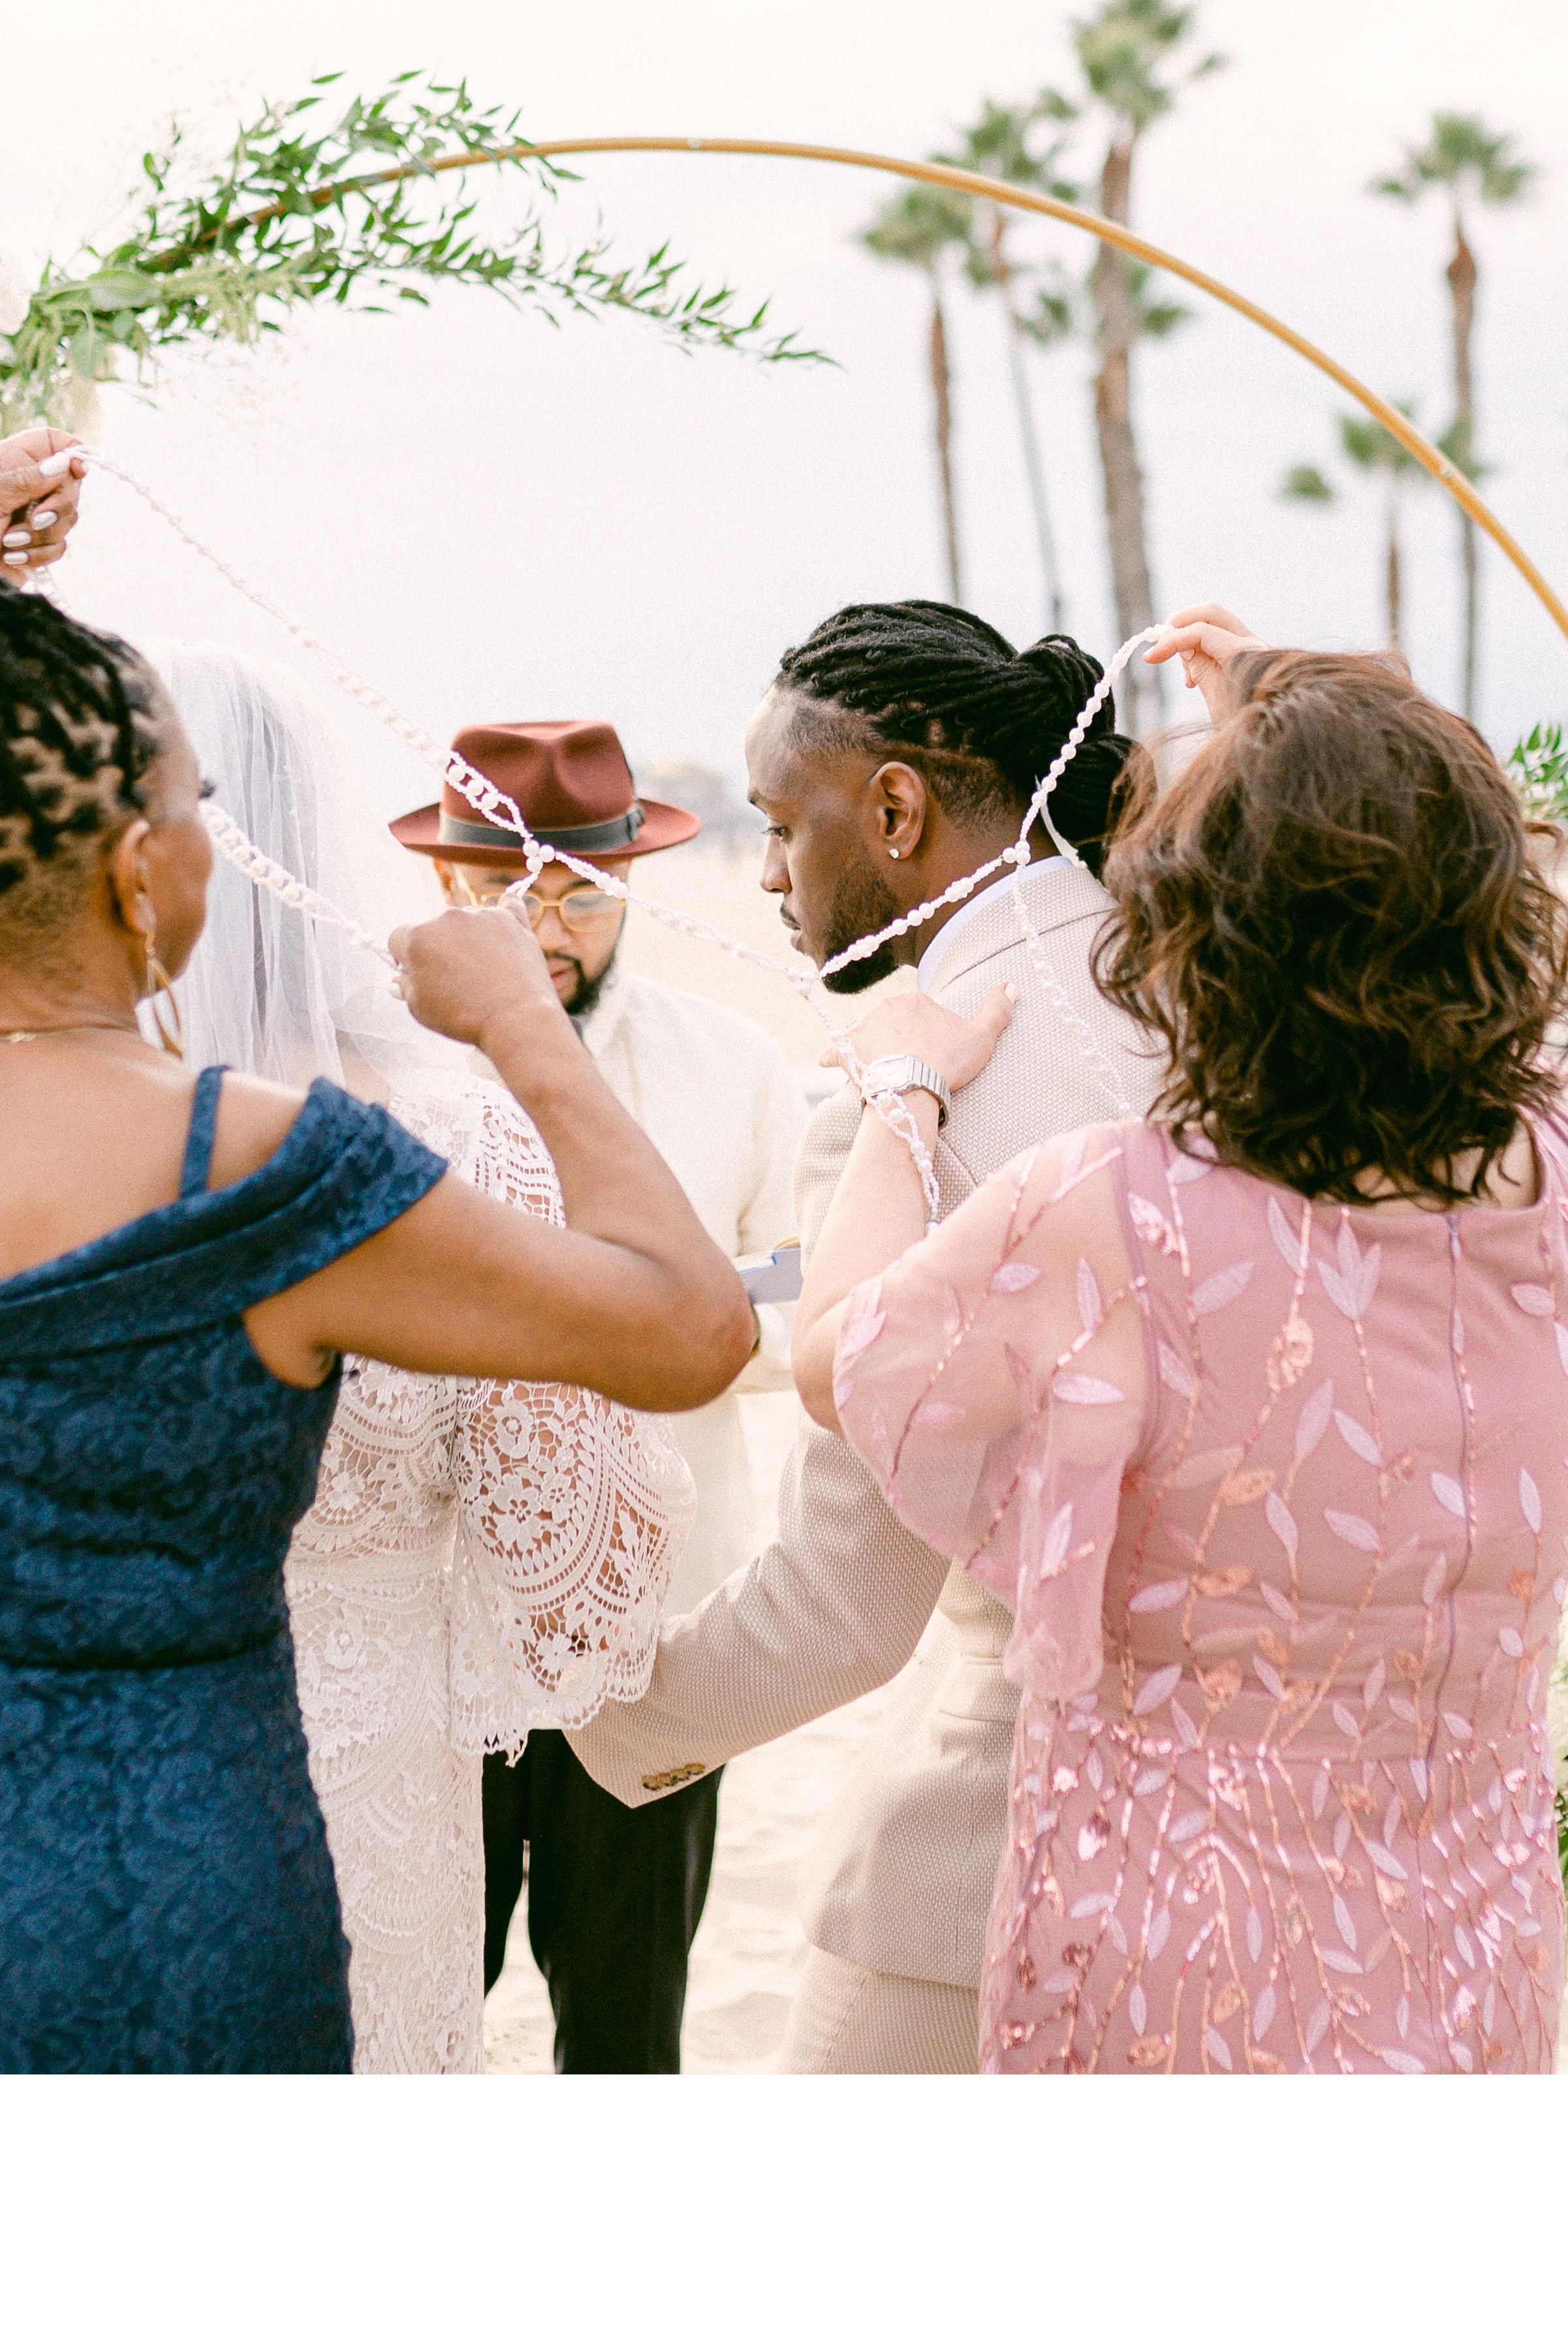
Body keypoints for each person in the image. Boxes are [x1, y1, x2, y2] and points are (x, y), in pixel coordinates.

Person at [0, 431, 752, 2074]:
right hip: (138, 1908)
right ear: (145, 871)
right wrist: (522, 1031)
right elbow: (689, 1329)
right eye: (193, 808)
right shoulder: (271, 1173)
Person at [796, 615, 1568, 2072]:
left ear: (1193, 934)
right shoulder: (1563, 1168)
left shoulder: (1115, 1204)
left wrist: (900, 1090)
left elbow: (843, 1360)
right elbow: (1427, 849)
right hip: (1467, 1930)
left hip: (1182, 1942)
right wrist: (1321, 712)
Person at [564, 601, 1171, 2074]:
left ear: (894, 805)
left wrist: (578, 1717)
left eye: (782, 823)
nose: (767, 873)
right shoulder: (1197, 982)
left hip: (1004, 1861)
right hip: (1269, 1880)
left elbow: (836, 1612)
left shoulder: (913, 1099)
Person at [185, 654, 697, 2078]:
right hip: (366, 1756)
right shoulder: (456, 1140)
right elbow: (580, 1553)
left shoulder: (22, 1141)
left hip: (103, 1756)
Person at [386, 715, 805, 2074]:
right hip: (424, 1636)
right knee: (413, 2007)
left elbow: (800, 1303)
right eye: (501, 887)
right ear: (444, 885)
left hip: (657, 1626)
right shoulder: (374, 1066)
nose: (540, 922)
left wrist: (690, 1313)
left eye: (576, 888)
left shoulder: (735, 1063)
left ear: (630, 881)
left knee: (627, 2030)